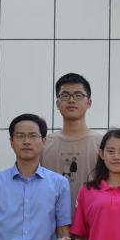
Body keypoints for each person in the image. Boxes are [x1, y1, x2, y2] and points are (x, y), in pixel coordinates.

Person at [42, 72, 102, 210]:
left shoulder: (102, 144)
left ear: (89, 103)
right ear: (57, 104)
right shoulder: (44, 144)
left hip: (91, 220)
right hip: (51, 220)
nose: (71, 100)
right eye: (65, 95)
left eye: (78, 95)